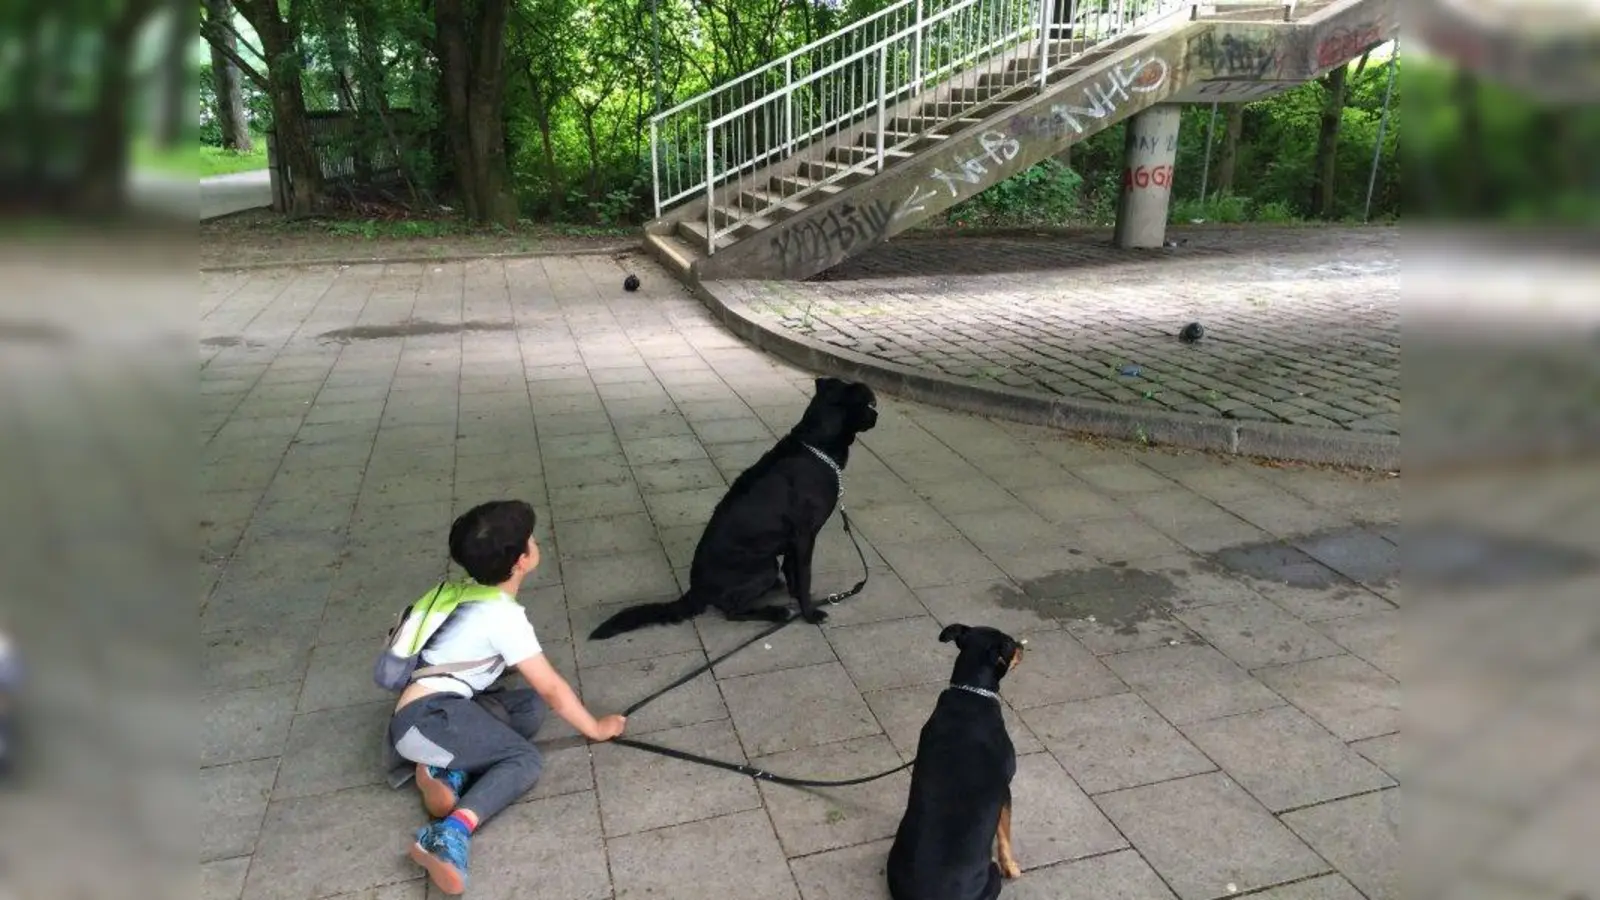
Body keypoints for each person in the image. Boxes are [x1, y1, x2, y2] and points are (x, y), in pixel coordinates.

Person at [386, 499, 626, 895]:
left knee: (528, 707)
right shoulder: (503, 618)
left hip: (427, 711)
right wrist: (596, 728)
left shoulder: (464, 592)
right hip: (428, 720)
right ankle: (447, 836)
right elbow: (553, 688)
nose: (535, 542)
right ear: (520, 561)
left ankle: (444, 770)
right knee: (524, 758)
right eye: (530, 539)